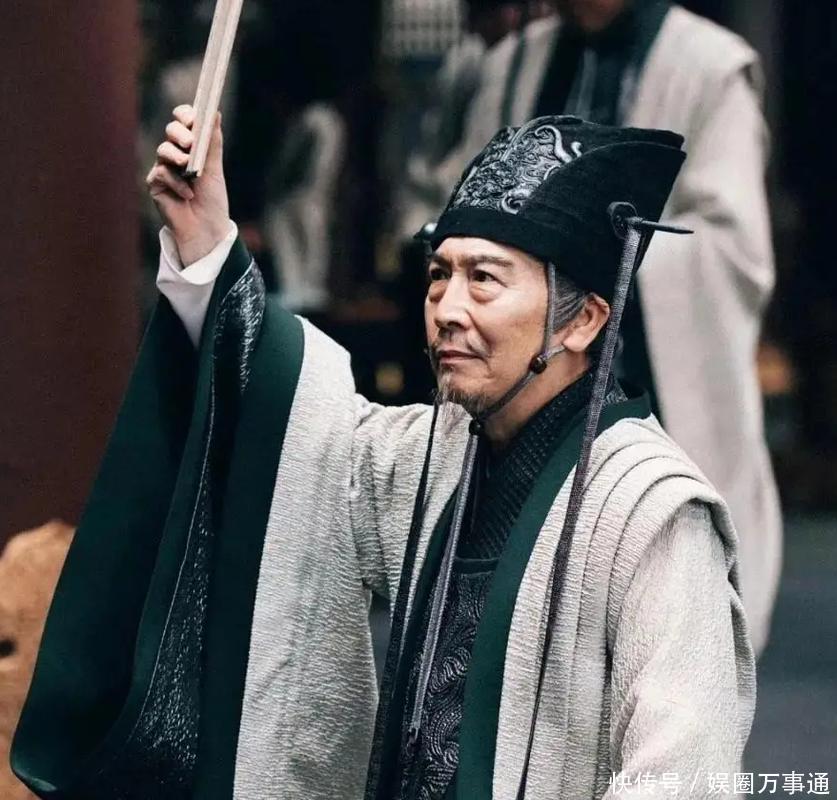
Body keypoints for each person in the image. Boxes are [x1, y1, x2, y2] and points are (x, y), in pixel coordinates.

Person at [13, 110, 755, 799]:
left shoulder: (652, 512)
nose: (448, 310)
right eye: (439, 275)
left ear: (584, 320)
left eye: (484, 280)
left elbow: (684, 772)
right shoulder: (429, 455)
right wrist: (207, 240)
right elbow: (289, 421)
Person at [438, 0, 782, 655]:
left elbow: (732, 248)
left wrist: (587, 257)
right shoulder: (512, 63)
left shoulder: (709, 66)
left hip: (647, 387)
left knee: (658, 634)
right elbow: (461, 197)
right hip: (523, 396)